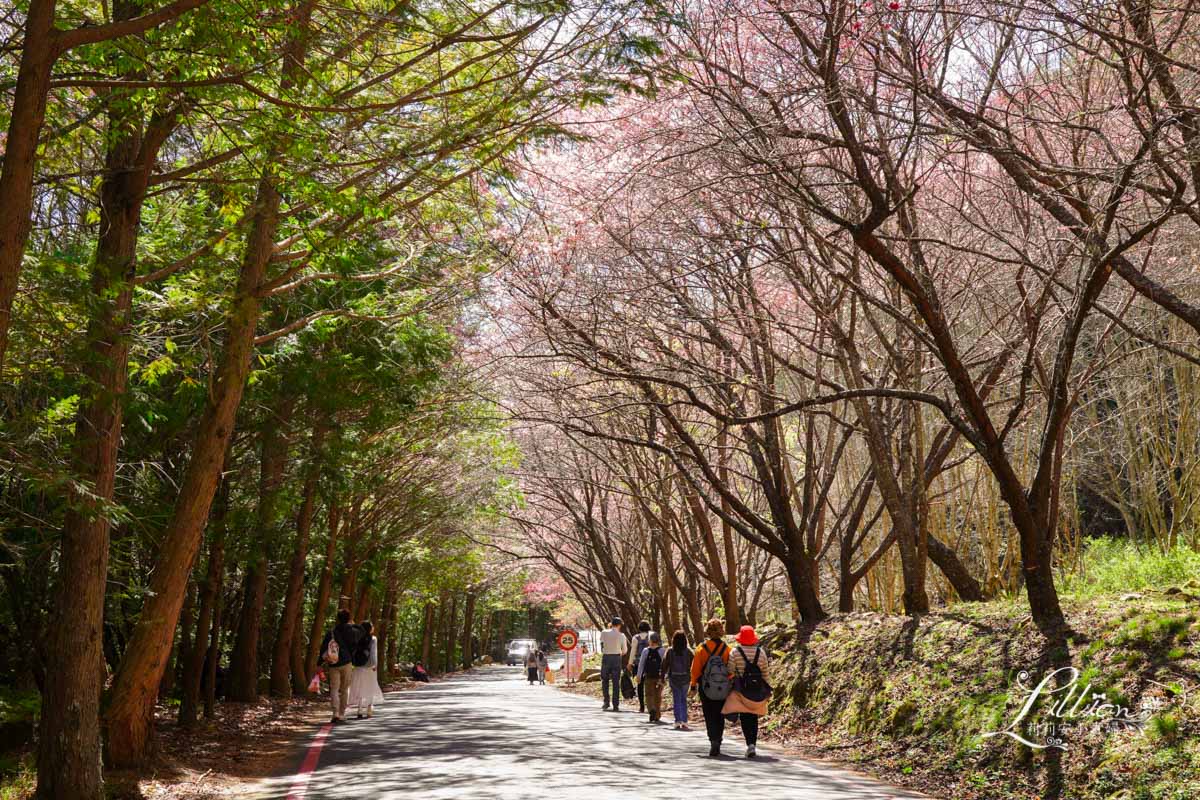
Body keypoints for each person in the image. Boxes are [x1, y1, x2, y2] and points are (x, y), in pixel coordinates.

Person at [723, 625, 771, 758]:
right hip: (756, 689)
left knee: (744, 716)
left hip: (741, 689)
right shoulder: (761, 653)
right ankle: (753, 744)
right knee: (753, 716)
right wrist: (767, 689)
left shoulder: (735, 652)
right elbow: (765, 673)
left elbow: (730, 671)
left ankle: (749, 744)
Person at [690, 618, 732, 757]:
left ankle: (712, 739)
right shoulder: (727, 649)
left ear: (708, 631)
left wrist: (693, 684)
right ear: (721, 631)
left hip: (705, 685)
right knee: (720, 713)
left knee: (708, 713)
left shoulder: (701, 648)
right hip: (722, 686)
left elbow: (695, 669)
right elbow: (730, 669)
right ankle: (718, 740)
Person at [318, 608, 362, 724]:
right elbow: (362, 630)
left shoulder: (332, 632)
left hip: (333, 663)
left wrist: (319, 663)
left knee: (334, 688)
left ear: (337, 619)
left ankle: (335, 713)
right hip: (347, 662)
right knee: (344, 689)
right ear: (349, 618)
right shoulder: (352, 630)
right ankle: (342, 714)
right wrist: (353, 623)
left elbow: (323, 648)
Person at [348, 620, 384, 719]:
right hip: (369, 667)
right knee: (370, 687)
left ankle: (359, 710)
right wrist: (375, 665)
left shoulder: (357, 638)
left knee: (360, 687)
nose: (373, 627)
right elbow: (373, 654)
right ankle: (369, 709)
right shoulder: (373, 639)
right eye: (372, 626)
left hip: (358, 666)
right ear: (369, 628)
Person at [663, 630, 693, 730]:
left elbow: (664, 665)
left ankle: (677, 721)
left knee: (676, 699)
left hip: (674, 678)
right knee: (683, 699)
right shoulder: (688, 651)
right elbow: (693, 665)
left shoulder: (670, 651)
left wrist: (662, 676)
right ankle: (684, 721)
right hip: (686, 678)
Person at [635, 630, 667, 723]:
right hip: (659, 677)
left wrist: (639, 676)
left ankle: (651, 710)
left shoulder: (646, 650)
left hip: (648, 676)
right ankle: (657, 714)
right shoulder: (662, 650)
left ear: (650, 640)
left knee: (649, 695)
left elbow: (641, 664)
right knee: (658, 695)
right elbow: (665, 665)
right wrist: (665, 676)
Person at [599, 616, 628, 711]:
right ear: (619, 625)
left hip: (606, 657)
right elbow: (625, 650)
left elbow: (602, 644)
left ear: (612, 624)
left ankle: (606, 702)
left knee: (605, 680)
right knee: (616, 682)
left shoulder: (604, 632)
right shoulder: (622, 635)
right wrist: (619, 653)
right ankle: (616, 704)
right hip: (616, 658)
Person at [627, 620, 651, 713]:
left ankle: (642, 706)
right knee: (650, 684)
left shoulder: (636, 638)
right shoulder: (652, 636)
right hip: (650, 664)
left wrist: (630, 663)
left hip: (638, 664)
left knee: (639, 684)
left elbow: (633, 651)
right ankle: (651, 705)